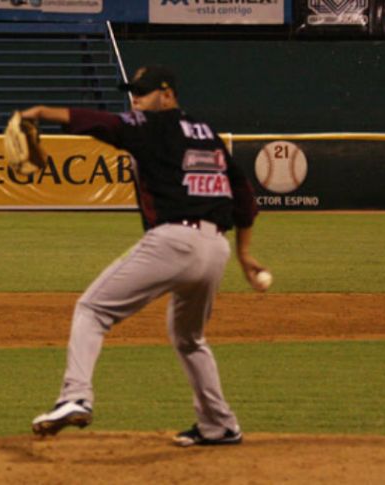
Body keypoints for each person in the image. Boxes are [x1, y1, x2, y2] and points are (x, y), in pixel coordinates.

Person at [22, 65, 265, 447]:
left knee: (92, 310)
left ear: (167, 95)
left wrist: (41, 113)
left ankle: (75, 397)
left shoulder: (153, 125)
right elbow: (244, 194)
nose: (135, 98)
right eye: (133, 91)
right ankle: (219, 425)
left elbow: (101, 123)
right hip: (215, 248)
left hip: (174, 242)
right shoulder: (208, 135)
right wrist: (245, 255)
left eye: (144, 92)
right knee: (189, 338)